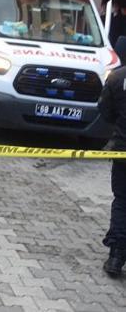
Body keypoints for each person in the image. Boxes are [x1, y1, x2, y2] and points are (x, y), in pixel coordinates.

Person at [99, 36, 126, 276]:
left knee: (122, 201)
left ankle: (116, 256)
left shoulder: (117, 78)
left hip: (123, 150)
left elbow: (104, 110)